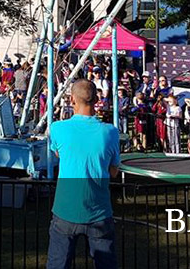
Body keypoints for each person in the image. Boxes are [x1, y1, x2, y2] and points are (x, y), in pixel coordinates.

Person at [46, 79, 120, 269]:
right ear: (96, 99)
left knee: (58, 264)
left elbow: (58, 153)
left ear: (72, 100)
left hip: (65, 211)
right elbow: (113, 171)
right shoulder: (110, 132)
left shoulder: (58, 128)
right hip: (99, 211)